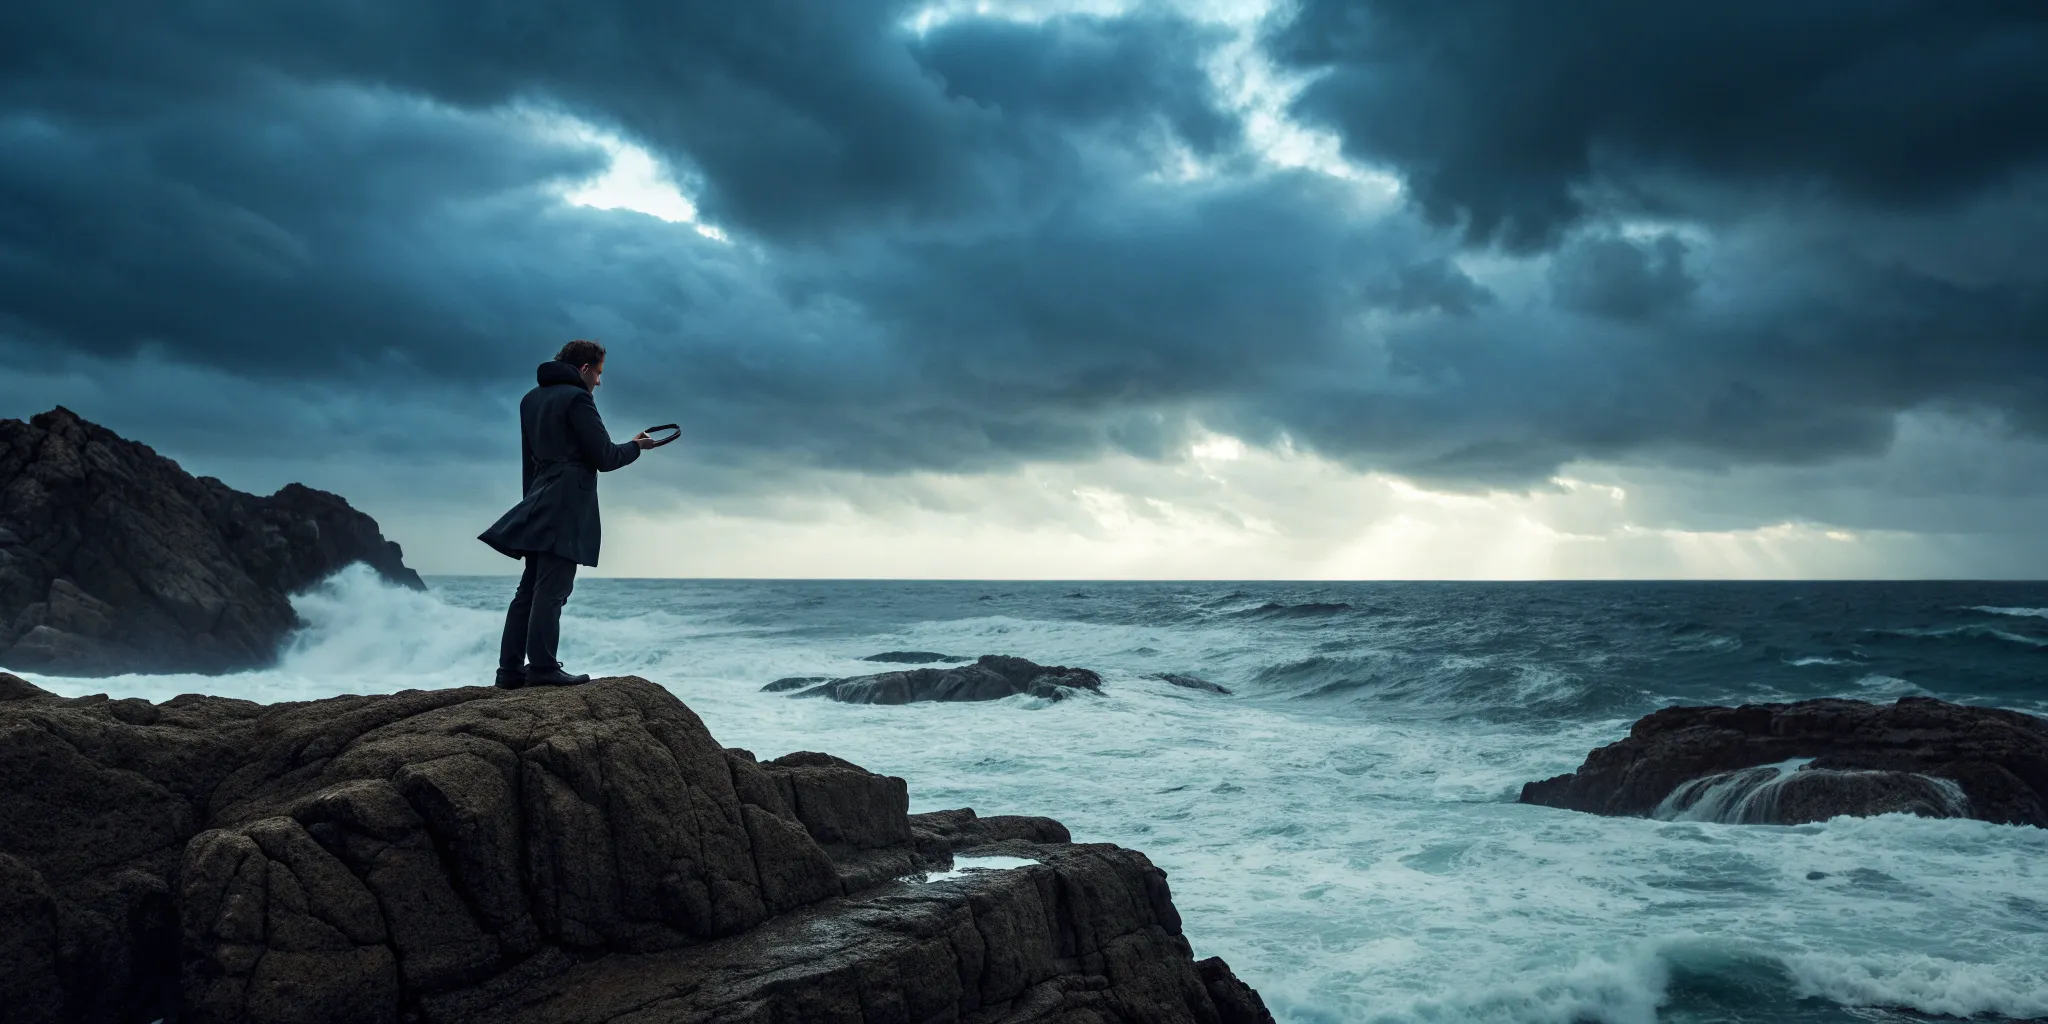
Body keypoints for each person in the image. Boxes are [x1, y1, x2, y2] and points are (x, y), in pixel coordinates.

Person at [479, 340, 658, 687]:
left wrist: (528, 507)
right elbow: (604, 457)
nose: (600, 383)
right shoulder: (578, 398)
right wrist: (636, 447)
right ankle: (544, 669)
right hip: (567, 505)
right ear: (585, 369)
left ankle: (510, 671)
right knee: (552, 590)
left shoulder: (530, 399)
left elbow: (528, 460)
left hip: (538, 500)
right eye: (599, 373)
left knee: (528, 590)